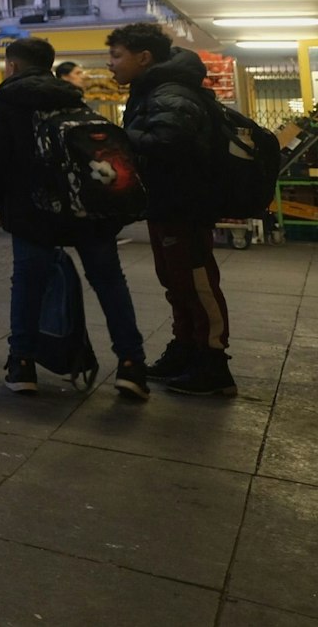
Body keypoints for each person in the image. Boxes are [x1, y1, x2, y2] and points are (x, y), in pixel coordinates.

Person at [0, 36, 148, 399]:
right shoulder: (70, 97)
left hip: (33, 210)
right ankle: (132, 364)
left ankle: (22, 363)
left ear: (14, 66)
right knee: (109, 281)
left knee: (28, 283)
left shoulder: (7, 101)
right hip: (87, 207)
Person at [109, 21, 235, 396]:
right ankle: (186, 348)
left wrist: (119, 137)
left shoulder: (171, 93)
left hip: (185, 204)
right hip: (167, 203)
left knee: (197, 282)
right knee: (176, 281)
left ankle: (213, 363)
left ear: (143, 57)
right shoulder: (154, 90)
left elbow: (168, 143)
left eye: (117, 56)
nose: (110, 65)